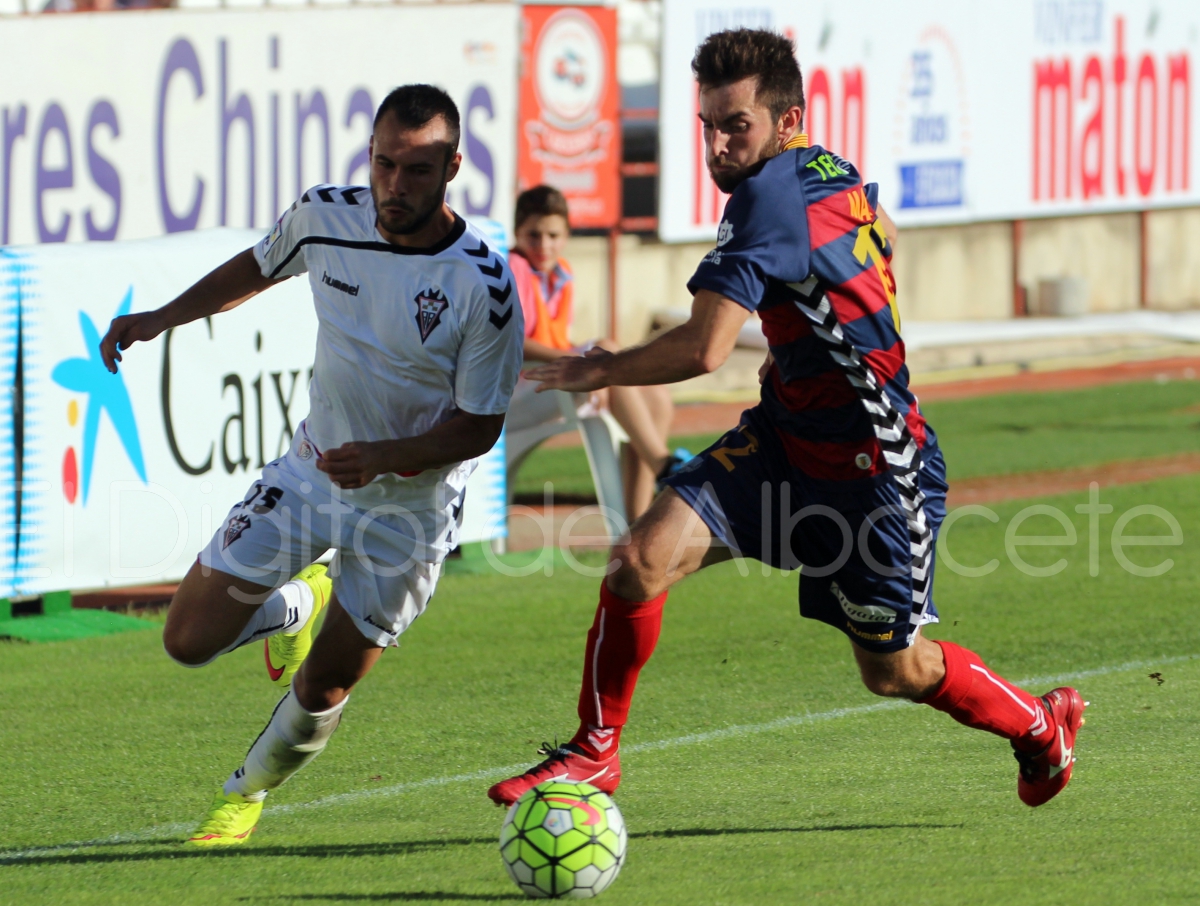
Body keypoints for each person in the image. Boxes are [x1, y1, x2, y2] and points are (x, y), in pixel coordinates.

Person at [488, 29, 1085, 810]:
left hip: (875, 474)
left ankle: (1041, 728)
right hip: (784, 442)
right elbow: (883, 232)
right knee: (639, 558)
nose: (717, 143)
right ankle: (594, 753)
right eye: (707, 123)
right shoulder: (824, 168)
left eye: (735, 124)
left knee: (893, 671)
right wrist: (817, 333)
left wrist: (600, 368)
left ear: (787, 119)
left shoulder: (767, 197)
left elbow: (705, 348)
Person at [100, 84, 523, 846]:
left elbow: (480, 428)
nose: (395, 186)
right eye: (384, 165)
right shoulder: (326, 214)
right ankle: (295, 606)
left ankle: (244, 794)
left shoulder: (484, 288)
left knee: (326, 686)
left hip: (409, 514)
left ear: (455, 166)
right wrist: (163, 317)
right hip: (311, 475)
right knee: (186, 641)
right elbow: (257, 267)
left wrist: (389, 458)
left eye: (418, 171)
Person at [509, 185, 690, 520]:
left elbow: (557, 339)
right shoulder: (512, 267)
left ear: (566, 235)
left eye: (553, 235)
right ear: (517, 233)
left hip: (547, 380)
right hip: (517, 391)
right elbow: (510, 343)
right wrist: (580, 365)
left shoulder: (561, 273)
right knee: (606, 353)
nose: (544, 244)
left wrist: (584, 366)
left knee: (655, 394)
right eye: (533, 235)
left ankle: (639, 523)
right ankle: (663, 465)